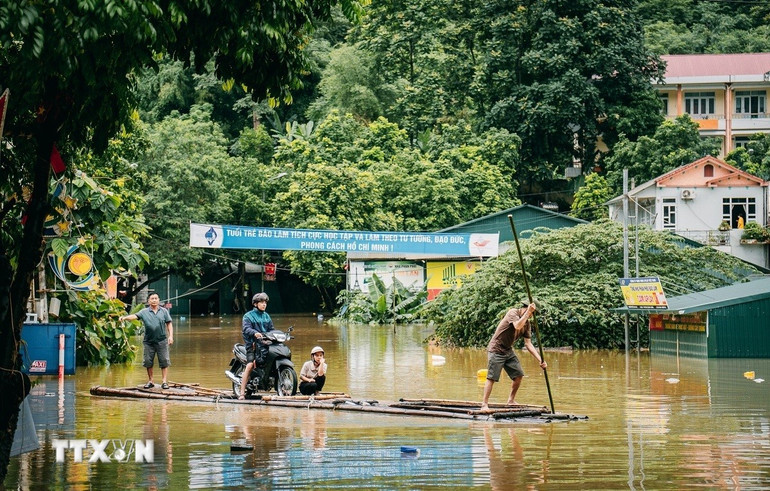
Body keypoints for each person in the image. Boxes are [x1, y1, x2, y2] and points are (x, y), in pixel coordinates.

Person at [480, 300, 546, 411]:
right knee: (492, 377)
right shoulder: (513, 312)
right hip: (496, 348)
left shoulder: (527, 324)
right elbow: (517, 326)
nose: (531, 316)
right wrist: (528, 312)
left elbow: (528, 344)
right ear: (526, 308)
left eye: (532, 314)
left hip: (508, 350)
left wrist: (540, 360)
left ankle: (510, 400)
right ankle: (484, 404)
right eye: (532, 313)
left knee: (518, 375)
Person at [120, 292, 173, 389]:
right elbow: (134, 316)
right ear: (148, 301)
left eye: (156, 298)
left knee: (164, 360)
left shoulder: (164, 311)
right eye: (152, 298)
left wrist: (171, 336)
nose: (154, 300)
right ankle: (151, 381)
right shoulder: (144, 312)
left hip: (162, 340)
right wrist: (124, 318)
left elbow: (169, 324)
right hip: (148, 341)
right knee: (148, 361)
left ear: (159, 300)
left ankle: (164, 382)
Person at [239, 292, 274, 399]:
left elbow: (271, 329)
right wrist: (255, 333)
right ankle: (242, 392)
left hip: (264, 344)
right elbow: (246, 329)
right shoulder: (248, 316)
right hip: (252, 345)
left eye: (265, 302)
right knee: (250, 365)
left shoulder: (266, 316)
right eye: (261, 302)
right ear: (255, 304)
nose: (264, 304)